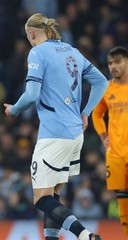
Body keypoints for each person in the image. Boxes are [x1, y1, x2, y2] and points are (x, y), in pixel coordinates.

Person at [3, 13, 108, 240]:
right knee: (53, 196)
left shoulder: (37, 53)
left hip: (53, 135)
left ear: (31, 33)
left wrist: (14, 110)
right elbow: (102, 82)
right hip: (74, 135)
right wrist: (85, 112)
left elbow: (32, 95)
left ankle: (85, 235)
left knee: (41, 198)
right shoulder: (73, 51)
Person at [92, 46, 128, 238]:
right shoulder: (106, 89)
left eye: (118, 61)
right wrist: (103, 135)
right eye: (110, 63)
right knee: (122, 199)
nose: (113, 66)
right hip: (115, 153)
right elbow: (97, 114)